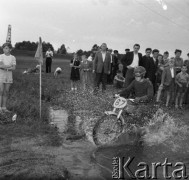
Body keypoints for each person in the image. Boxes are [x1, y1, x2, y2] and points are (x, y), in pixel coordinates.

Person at [0, 43, 16, 112]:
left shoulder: (13, 57)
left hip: (9, 76)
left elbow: (14, 68)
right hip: (1, 75)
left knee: (6, 92)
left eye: (6, 48)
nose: (5, 49)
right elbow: (1, 66)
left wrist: (6, 67)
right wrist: (9, 66)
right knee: (0, 91)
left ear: (10, 49)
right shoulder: (1, 56)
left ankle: (4, 107)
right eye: (4, 48)